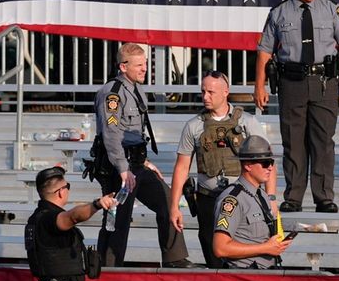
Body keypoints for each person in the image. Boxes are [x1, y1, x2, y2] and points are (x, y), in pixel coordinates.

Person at [254, 0, 339, 214]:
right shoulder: (278, 13)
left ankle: (324, 197)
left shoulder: (331, 8)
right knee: (293, 141)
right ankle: (294, 197)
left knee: (323, 141)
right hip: (292, 83)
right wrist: (259, 85)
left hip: (325, 82)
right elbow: (264, 51)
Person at [92, 43, 195, 268]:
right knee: (117, 218)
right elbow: (111, 135)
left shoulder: (136, 88)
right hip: (118, 168)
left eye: (145, 63)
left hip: (137, 163)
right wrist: (122, 169)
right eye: (139, 65)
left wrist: (144, 161)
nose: (144, 68)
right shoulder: (113, 93)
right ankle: (107, 268)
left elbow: (135, 134)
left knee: (168, 201)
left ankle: (175, 258)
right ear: (123, 66)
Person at [169, 70, 277, 268]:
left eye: (211, 92)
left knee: (243, 256)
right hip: (208, 198)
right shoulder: (193, 126)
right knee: (213, 257)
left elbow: (268, 161)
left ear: (226, 92)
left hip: (243, 199)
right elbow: (182, 167)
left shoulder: (247, 122)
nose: (205, 97)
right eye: (203, 92)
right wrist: (174, 206)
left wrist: (271, 199)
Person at [26, 166, 116, 281]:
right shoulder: (47, 218)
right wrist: (97, 204)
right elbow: (72, 217)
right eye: (67, 187)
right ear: (61, 192)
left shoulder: (39, 218)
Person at [212, 135, 291, 268]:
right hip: (244, 277)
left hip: (265, 273)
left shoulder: (262, 195)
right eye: (265, 163)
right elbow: (220, 248)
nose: (270, 168)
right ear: (248, 165)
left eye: (271, 162)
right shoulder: (232, 200)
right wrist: (265, 248)